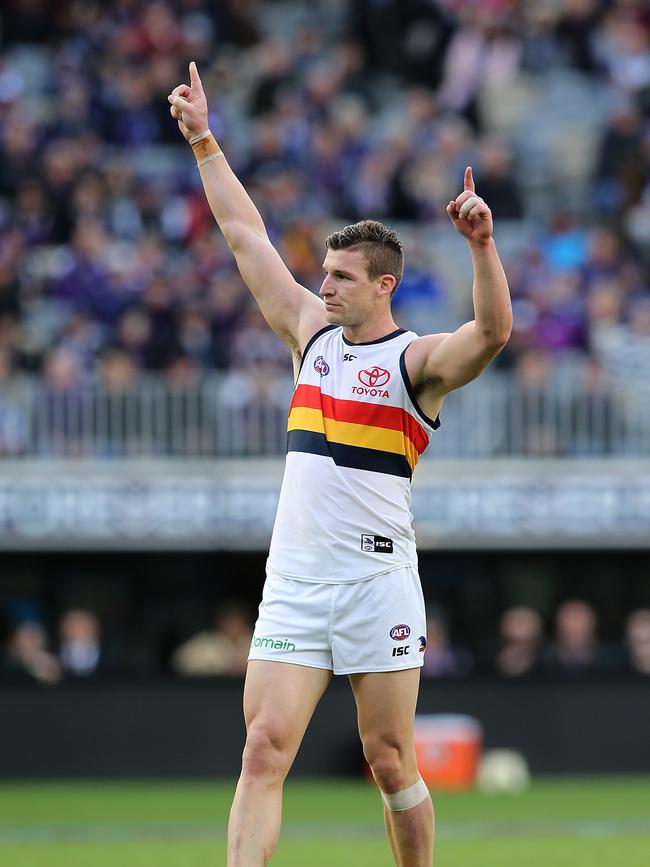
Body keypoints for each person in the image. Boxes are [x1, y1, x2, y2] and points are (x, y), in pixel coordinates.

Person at [168, 61, 512, 867]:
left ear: (383, 284)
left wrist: (484, 247)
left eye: (341, 277)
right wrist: (203, 139)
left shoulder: (416, 361)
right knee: (262, 750)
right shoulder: (309, 335)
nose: (322, 286)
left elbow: (493, 333)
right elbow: (244, 234)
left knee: (390, 760)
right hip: (295, 579)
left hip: (376, 579)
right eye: (322, 273)